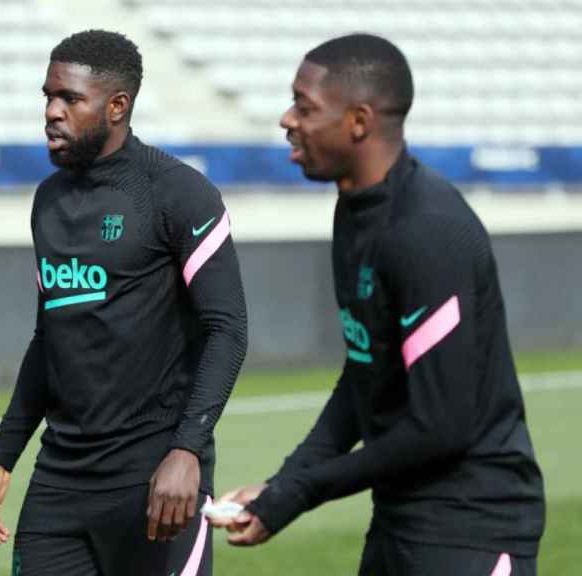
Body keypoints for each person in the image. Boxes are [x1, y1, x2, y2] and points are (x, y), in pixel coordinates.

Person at [210, 33, 545, 575]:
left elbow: (441, 428)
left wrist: (301, 490)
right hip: (402, 521)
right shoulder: (356, 210)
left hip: (471, 530)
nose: (286, 119)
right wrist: (284, 486)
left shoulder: (427, 231)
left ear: (358, 121)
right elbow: (366, 376)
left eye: (304, 105)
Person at [0, 29, 248, 576]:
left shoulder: (179, 193)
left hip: (157, 480)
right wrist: (2, 456)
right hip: (60, 483)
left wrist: (186, 451)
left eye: (69, 98)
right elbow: (50, 338)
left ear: (117, 106)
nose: (51, 111)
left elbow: (228, 328)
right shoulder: (48, 201)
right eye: (48, 96)